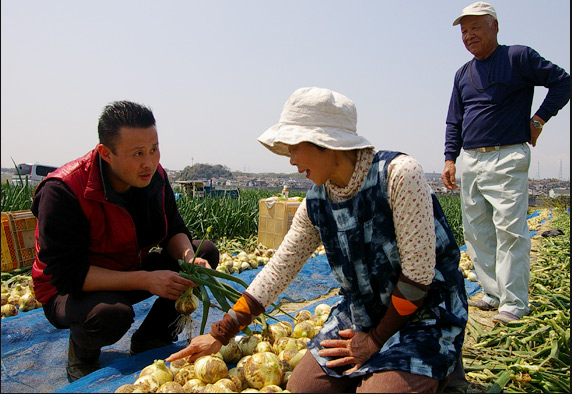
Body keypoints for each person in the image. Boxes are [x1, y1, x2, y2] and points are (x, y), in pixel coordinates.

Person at [166, 87, 468, 393]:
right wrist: (222, 332)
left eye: (295, 147)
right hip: (364, 313)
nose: (292, 161)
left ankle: (444, 366)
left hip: (422, 314)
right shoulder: (317, 202)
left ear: (327, 143)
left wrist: (375, 341)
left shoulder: (399, 175)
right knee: (304, 388)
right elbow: (279, 269)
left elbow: (418, 278)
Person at [31, 100, 220, 382]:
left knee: (203, 252)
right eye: (138, 153)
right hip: (70, 290)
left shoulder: (154, 176)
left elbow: (174, 229)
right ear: (106, 153)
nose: (150, 162)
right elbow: (68, 276)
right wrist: (146, 280)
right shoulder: (64, 190)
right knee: (110, 315)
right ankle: (82, 353)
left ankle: (151, 338)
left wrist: (190, 260)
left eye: (154, 149)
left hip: (128, 266)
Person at [442, 2, 570, 324]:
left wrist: (539, 120)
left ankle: (514, 303)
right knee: (477, 231)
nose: (469, 36)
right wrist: (449, 158)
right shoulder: (463, 74)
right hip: (471, 159)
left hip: (507, 154)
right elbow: (454, 120)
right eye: (464, 31)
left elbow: (563, 82)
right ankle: (492, 292)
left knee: (510, 230)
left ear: (494, 27)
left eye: (475, 28)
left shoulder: (518, 57)